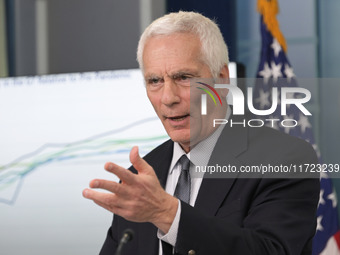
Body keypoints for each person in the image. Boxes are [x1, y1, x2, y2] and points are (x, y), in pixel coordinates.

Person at [83, 11, 319, 255]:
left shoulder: (286, 159)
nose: (168, 98)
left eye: (184, 77)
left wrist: (167, 214)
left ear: (223, 80)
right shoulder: (139, 181)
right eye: (155, 81)